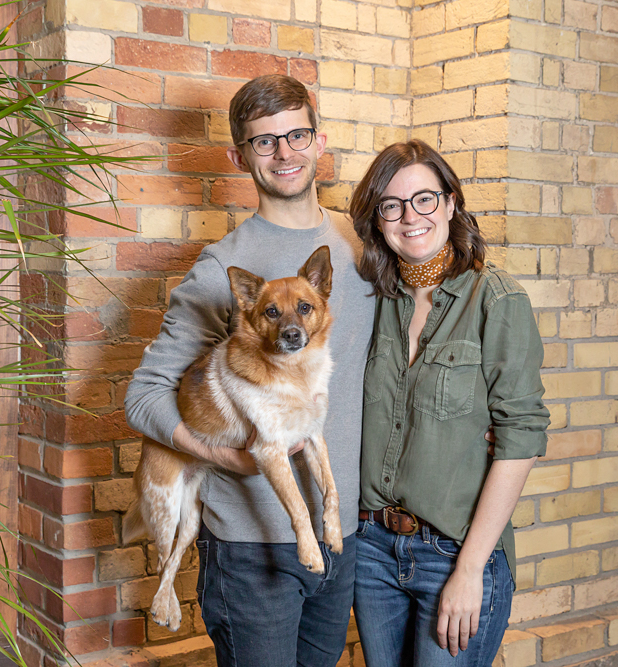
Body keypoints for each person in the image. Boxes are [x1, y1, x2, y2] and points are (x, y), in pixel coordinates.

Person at [124, 74, 373, 667]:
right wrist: (221, 457)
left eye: (296, 135)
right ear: (240, 156)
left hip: (343, 537)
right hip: (250, 547)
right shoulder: (220, 269)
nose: (284, 153)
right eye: (265, 142)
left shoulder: (358, 245)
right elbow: (143, 397)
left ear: (320, 140)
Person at [348, 140, 549, 667]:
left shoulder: (497, 300)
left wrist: (469, 570)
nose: (409, 217)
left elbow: (520, 440)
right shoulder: (371, 301)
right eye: (390, 205)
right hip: (371, 551)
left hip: (454, 553)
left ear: (452, 202)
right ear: (377, 218)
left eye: (424, 199)